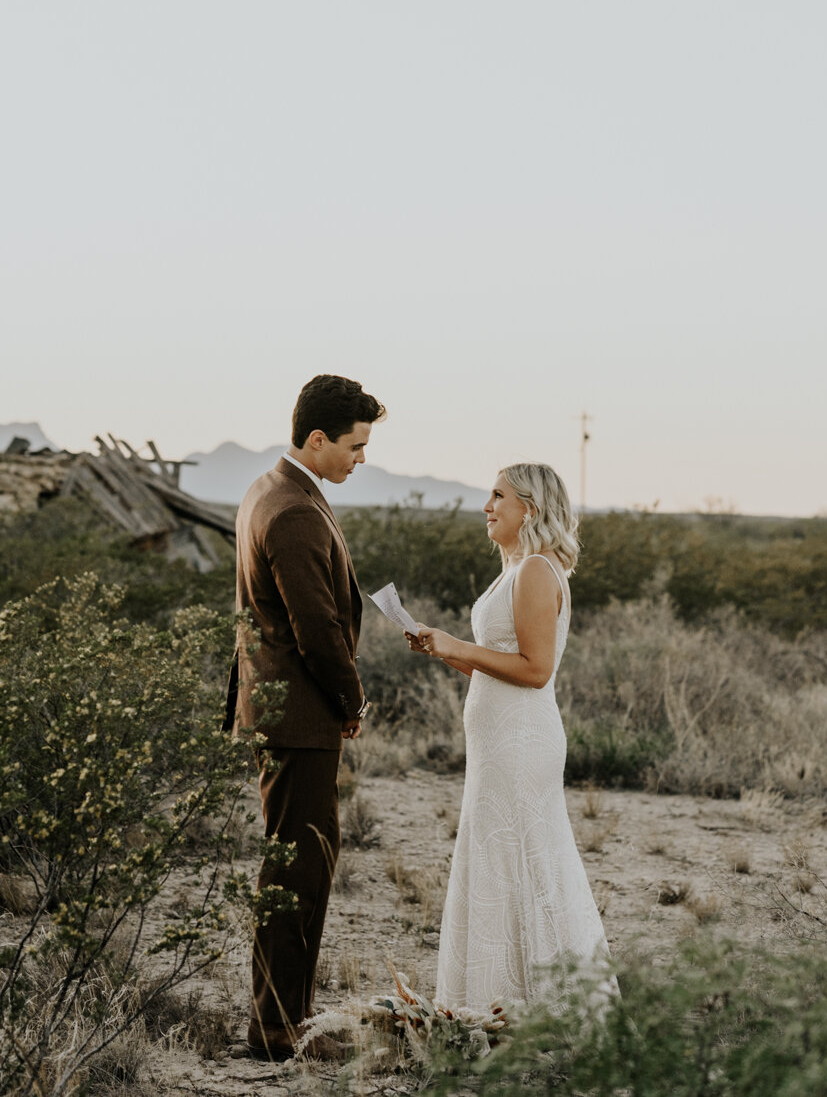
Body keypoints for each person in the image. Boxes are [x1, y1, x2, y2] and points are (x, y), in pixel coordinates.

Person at [407, 462, 615, 1011]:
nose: (486, 506)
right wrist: (445, 653)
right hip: (497, 741)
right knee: (499, 862)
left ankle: (550, 1007)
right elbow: (498, 669)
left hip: (522, 743)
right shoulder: (516, 569)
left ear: (531, 506)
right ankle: (497, 1004)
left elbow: (535, 669)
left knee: (529, 863)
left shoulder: (538, 572)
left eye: (497, 496)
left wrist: (455, 644)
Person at [223, 374, 386, 1061]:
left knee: (296, 865)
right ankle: (275, 1030)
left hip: (279, 709)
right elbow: (314, 625)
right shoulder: (291, 510)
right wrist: (350, 703)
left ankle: (283, 1016)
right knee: (299, 871)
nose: (360, 458)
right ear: (315, 439)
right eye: (354, 446)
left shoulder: (269, 487)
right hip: (297, 716)